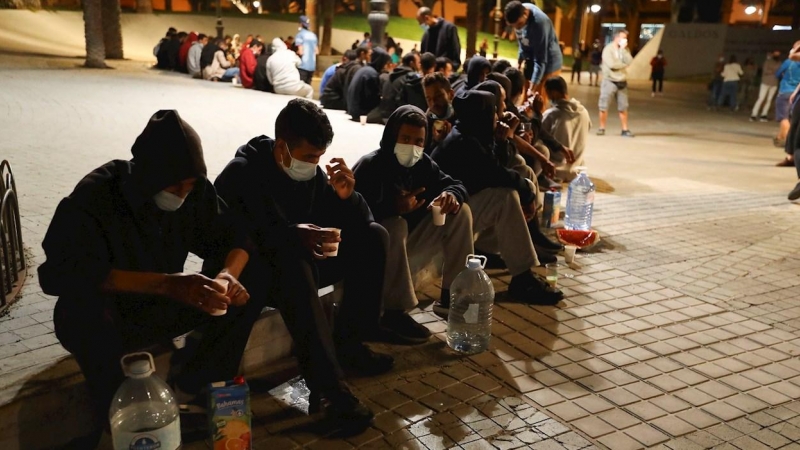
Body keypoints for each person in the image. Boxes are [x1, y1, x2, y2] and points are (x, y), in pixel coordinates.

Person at [40, 110, 255, 448]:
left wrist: (228, 276)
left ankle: (196, 385)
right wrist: (166, 283)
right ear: (149, 175)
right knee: (79, 309)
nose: (182, 194)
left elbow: (237, 238)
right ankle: (116, 423)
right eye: (174, 186)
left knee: (243, 289)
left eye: (189, 186)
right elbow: (57, 276)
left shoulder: (195, 190)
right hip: (111, 315)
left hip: (165, 306)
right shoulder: (98, 195)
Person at [214, 99, 393, 432]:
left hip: (299, 263)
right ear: (282, 147)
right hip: (258, 274)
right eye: (311, 157)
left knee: (373, 236)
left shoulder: (309, 174)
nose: (315, 164)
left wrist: (347, 197)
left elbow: (356, 219)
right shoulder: (243, 173)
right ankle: (330, 390)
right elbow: (233, 239)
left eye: (320, 157)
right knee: (294, 263)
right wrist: (290, 235)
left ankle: (351, 344)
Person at [431, 89, 564, 309]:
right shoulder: (464, 142)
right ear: (481, 115)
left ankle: (521, 269)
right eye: (494, 112)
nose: (497, 117)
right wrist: (528, 195)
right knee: (506, 197)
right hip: (444, 219)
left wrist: (502, 141)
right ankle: (522, 278)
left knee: (508, 193)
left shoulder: (469, 132)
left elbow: (497, 167)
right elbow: (498, 173)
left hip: (458, 209)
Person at [353, 105, 469, 322]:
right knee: (397, 223)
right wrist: (392, 207)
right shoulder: (371, 166)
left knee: (460, 212)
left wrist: (451, 195)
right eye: (405, 139)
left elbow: (455, 184)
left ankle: (454, 296)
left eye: (418, 142)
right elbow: (353, 218)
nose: (413, 147)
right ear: (392, 137)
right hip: (374, 252)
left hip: (407, 244)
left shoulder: (423, 164)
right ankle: (394, 312)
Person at [504, 1, 563, 105]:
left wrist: (533, 86)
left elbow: (540, 61)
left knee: (536, 101)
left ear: (525, 14)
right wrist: (519, 63)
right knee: (525, 99)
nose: (517, 28)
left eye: (519, 25)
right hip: (532, 58)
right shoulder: (519, 15)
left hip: (548, 62)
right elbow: (522, 42)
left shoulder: (539, 24)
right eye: (514, 26)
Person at [542, 77, 591, 181]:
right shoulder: (584, 113)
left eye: (547, 93)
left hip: (554, 171)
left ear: (553, 93)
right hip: (577, 170)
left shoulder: (551, 115)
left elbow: (539, 134)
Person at [597, 29, 634, 137]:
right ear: (616, 38)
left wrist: (623, 51)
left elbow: (630, 61)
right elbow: (612, 65)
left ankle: (625, 129)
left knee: (623, 106)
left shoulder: (625, 49)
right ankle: (602, 127)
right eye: (623, 37)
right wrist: (624, 65)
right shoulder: (608, 49)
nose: (624, 40)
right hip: (610, 80)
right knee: (604, 105)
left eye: (625, 38)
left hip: (622, 81)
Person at [347, 48, 392, 122]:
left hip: (353, 109)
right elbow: (372, 100)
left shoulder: (364, 69)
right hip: (361, 113)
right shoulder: (372, 74)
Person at [377, 52, 422, 123]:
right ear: (411, 63)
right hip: (395, 117)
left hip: (382, 113)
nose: (420, 64)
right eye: (418, 62)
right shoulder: (410, 77)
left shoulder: (393, 73)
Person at [417, 7, 462, 71]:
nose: (420, 25)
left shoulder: (449, 28)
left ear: (427, 18)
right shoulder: (426, 34)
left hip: (446, 71)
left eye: (420, 22)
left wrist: (453, 67)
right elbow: (423, 53)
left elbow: (455, 48)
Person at [775, 41, 800, 150]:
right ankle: (780, 137)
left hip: (785, 91)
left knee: (783, 117)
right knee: (792, 117)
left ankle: (789, 141)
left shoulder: (789, 61)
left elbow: (777, 73)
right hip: (797, 93)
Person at [751, 51, 782, 122]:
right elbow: (765, 71)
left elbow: (779, 72)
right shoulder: (767, 62)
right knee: (761, 98)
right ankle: (754, 114)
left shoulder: (780, 63)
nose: (777, 56)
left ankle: (763, 115)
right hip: (765, 82)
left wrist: (772, 71)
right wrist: (774, 71)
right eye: (776, 54)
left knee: (769, 100)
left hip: (774, 84)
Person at [295, 15, 319, 85]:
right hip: (312, 66)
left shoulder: (300, 35)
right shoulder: (313, 35)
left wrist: (296, 53)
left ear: (300, 24)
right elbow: (317, 51)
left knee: (301, 86)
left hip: (303, 65)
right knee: (308, 86)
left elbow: (301, 52)